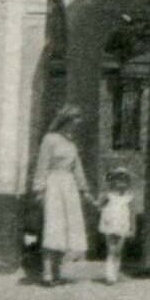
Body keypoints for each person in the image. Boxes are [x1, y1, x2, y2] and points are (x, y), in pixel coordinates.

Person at [30, 110, 88, 286]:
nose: (76, 125)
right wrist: (39, 190)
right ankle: (47, 273)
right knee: (52, 227)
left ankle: (57, 272)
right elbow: (43, 165)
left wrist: (83, 189)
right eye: (74, 121)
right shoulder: (50, 139)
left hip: (68, 186)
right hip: (54, 185)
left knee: (67, 229)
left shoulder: (71, 143)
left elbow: (77, 168)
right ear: (66, 120)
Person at [95, 162, 140, 287]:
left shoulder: (129, 197)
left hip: (122, 225)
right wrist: (101, 200)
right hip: (110, 224)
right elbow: (98, 205)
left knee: (118, 250)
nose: (121, 183)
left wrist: (133, 228)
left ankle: (115, 271)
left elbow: (132, 214)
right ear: (113, 181)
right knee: (111, 249)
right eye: (118, 179)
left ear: (128, 182)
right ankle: (110, 275)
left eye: (124, 180)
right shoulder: (109, 195)